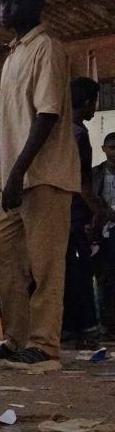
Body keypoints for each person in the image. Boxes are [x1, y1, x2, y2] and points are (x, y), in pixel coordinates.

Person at [0, 0, 80, 370]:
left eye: (12, 2)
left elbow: (47, 116)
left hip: (44, 177)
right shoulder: (14, 54)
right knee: (4, 259)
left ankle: (45, 347)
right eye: (3, 2)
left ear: (35, 4)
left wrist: (17, 171)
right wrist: (10, 177)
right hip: (16, 182)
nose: (4, 9)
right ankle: (17, 339)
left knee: (46, 266)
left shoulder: (47, 49)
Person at [64, 78, 103, 349]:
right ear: (88, 103)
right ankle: (86, 328)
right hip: (75, 213)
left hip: (58, 210)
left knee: (66, 270)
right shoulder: (79, 135)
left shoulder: (57, 129)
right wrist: (101, 212)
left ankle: (68, 328)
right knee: (81, 271)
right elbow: (83, 183)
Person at [94, 132, 115, 335]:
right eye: (112, 148)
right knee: (105, 276)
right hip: (103, 231)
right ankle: (106, 323)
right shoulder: (97, 174)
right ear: (104, 149)